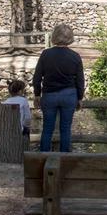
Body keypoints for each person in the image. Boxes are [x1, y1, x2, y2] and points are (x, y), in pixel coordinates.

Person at [33, 24, 84, 152]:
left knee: (47, 129)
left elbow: (37, 77)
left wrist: (37, 95)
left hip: (49, 95)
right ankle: (64, 160)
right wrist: (80, 98)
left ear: (54, 36)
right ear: (70, 37)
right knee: (66, 129)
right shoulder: (75, 56)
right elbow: (80, 80)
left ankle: (43, 158)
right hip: (69, 95)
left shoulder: (46, 54)